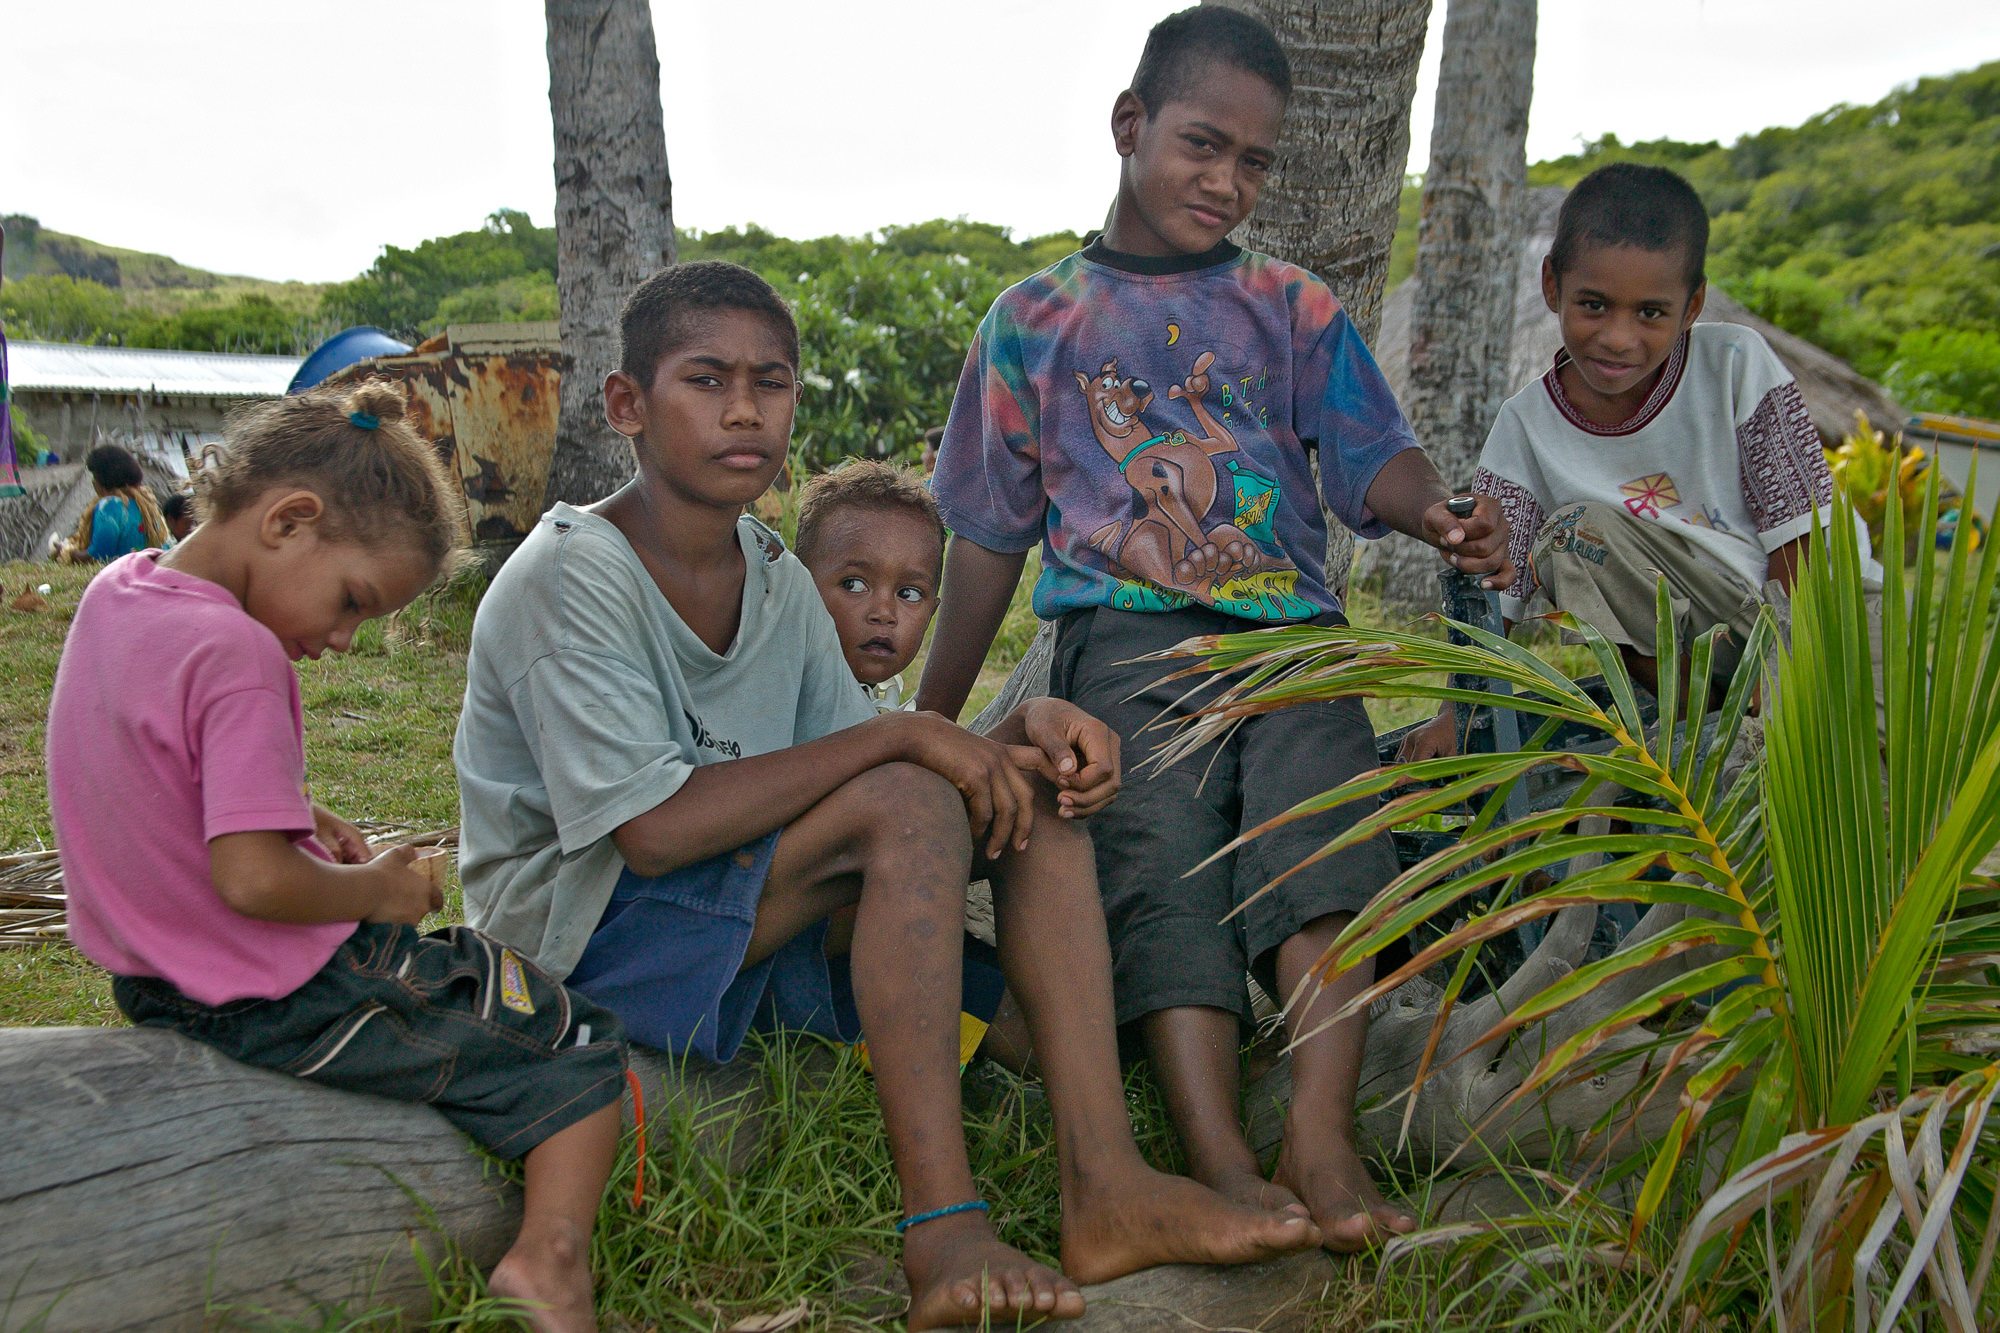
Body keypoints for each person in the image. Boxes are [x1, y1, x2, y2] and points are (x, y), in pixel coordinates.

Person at [454, 261, 1323, 1330]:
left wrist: (1011, 736)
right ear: (627, 405)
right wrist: (919, 736)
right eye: (705, 380)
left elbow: (856, 760)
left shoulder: (771, 574)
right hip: (584, 941)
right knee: (914, 797)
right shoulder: (571, 573)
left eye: (770, 383)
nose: (742, 410)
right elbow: (651, 829)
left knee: (1022, 788)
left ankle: (1108, 1187)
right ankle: (944, 1230)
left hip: (734, 913)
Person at [915, 5, 1513, 1252]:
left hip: (1291, 637)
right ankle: (1216, 1155)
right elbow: (984, 536)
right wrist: (929, 723)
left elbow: (1372, 456)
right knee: (1157, 864)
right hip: (1122, 646)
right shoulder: (1034, 321)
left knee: (1319, 842)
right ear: (1128, 127)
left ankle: (1320, 1128)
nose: (1225, 181)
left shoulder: (1287, 306)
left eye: (1254, 161)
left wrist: (1434, 514)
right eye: (1200, 144)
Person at [46, 383, 626, 1333]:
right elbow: (255, 879)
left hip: (147, 978)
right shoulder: (238, 652)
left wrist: (290, 805)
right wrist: (377, 891)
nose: (342, 640)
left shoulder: (123, 589)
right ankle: (553, 1257)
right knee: (570, 1031)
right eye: (352, 600)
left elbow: (141, 751)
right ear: (289, 519)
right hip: (270, 994)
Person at [1399, 163, 1864, 761]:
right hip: (1696, 651)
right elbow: (1500, 585)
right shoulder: (1526, 425)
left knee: (1877, 799)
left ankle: (1752, 728)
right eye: (1593, 305)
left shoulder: (1734, 365)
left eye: (1650, 313)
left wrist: (1780, 682)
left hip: (1817, 618)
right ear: (1551, 287)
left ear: (1692, 303)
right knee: (1571, 538)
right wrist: (1455, 712)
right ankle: (1702, 726)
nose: (1619, 338)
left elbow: (1804, 540)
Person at [792, 458, 1033, 1071]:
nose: (883, 612)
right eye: (853, 584)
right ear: (795, 584)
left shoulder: (878, 704)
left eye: (910, 593)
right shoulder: (786, 699)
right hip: (809, 958)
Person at [52, 443, 172, 563]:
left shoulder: (109, 506)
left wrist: (65, 552)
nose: (93, 483)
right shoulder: (147, 505)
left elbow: (98, 557)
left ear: (102, 480)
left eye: (94, 477)